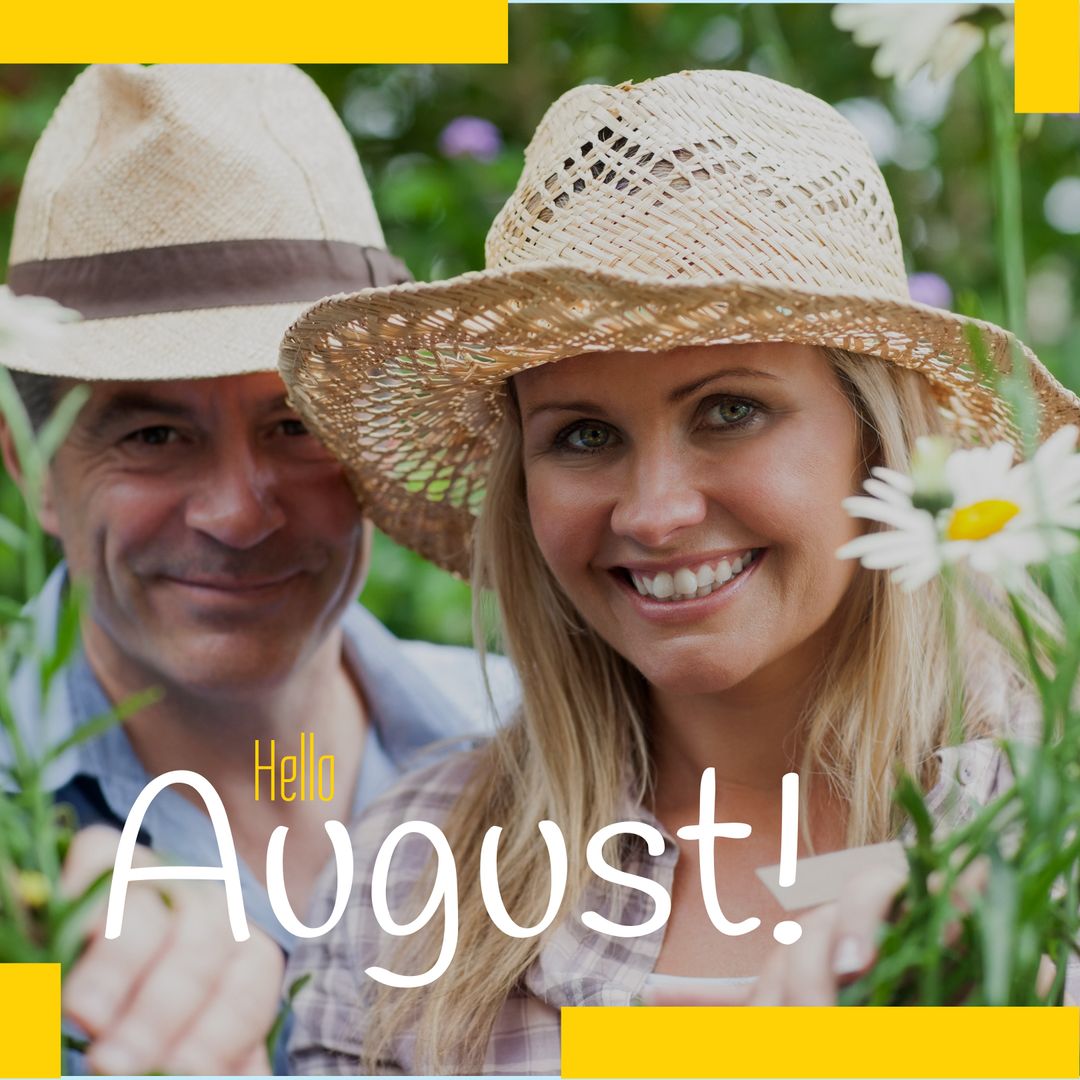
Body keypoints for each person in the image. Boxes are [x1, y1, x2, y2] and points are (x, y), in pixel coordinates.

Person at [279, 69, 1080, 1074]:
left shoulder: (1049, 819)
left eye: (730, 410)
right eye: (581, 435)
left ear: (878, 443)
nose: (654, 511)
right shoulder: (414, 878)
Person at [1, 64, 513, 1075]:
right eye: (152, 433)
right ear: (33, 469)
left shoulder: (554, 749)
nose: (237, 513)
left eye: (296, 424)